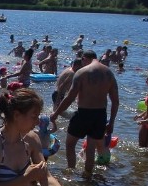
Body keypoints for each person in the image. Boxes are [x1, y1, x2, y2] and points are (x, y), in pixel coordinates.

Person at [49, 50, 119, 178]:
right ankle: (87, 176)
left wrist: (56, 113)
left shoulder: (82, 72)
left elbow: (70, 97)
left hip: (83, 113)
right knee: (91, 147)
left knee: (70, 144)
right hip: (100, 115)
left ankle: (70, 172)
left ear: (84, 59)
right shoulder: (109, 73)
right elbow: (115, 101)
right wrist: (112, 122)